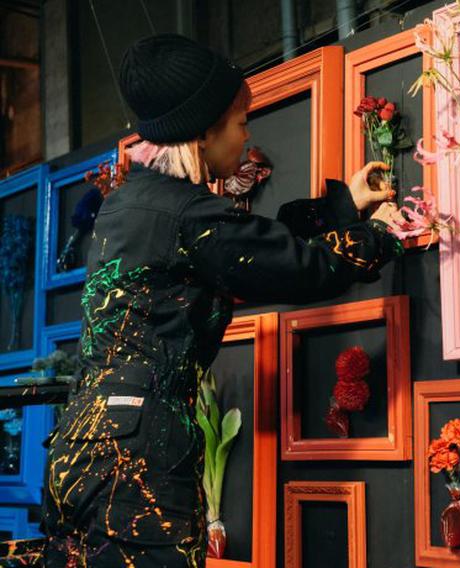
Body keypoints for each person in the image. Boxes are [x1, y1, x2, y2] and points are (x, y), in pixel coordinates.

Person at [39, 34, 403, 567]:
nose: (246, 135)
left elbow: (246, 247)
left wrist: (343, 205)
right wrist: (383, 235)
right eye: (240, 123)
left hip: (80, 442)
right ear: (203, 133)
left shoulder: (127, 206)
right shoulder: (185, 213)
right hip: (137, 456)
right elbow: (303, 268)